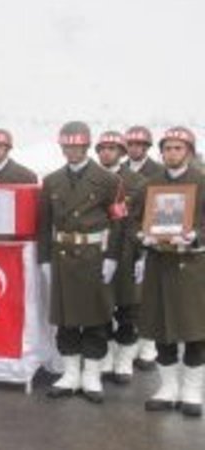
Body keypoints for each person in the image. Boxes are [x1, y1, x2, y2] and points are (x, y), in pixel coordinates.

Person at [38, 121, 125, 403]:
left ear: (86, 146)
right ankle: (71, 374)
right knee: (66, 321)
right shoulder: (51, 181)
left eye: (76, 146)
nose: (71, 151)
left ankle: (91, 375)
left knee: (96, 320)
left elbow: (119, 223)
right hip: (62, 257)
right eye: (66, 146)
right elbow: (44, 224)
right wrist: (44, 260)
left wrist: (112, 257)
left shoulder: (109, 180)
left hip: (93, 258)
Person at [137, 126, 205, 418]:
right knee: (161, 327)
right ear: (161, 152)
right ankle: (168, 388)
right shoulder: (150, 185)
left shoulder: (202, 182)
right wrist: (142, 237)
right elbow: (132, 223)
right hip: (158, 264)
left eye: (178, 148)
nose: (172, 153)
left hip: (191, 266)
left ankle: (191, 390)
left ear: (188, 152)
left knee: (194, 330)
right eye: (167, 148)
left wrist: (196, 236)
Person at [93, 131, 147, 384]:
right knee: (100, 308)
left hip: (127, 251)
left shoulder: (137, 181)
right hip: (97, 252)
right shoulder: (92, 178)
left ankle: (124, 359)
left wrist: (141, 255)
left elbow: (142, 220)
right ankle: (105, 357)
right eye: (102, 148)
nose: (106, 152)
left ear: (122, 153)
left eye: (112, 148)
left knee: (128, 309)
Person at [124, 125, 162, 371]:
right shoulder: (120, 169)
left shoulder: (158, 172)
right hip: (128, 237)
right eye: (131, 144)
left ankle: (148, 344)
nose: (135, 148)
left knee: (150, 295)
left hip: (153, 237)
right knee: (128, 296)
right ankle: (128, 343)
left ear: (147, 147)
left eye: (140, 144)